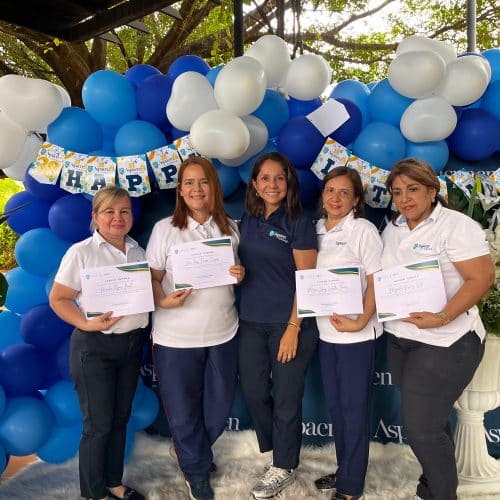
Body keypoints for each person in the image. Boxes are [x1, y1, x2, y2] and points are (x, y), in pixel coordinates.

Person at [382, 158, 495, 500]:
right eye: (397, 192)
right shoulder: (393, 228)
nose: (404, 198)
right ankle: (430, 488)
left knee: (422, 430)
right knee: (432, 423)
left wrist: (442, 317)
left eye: (413, 189)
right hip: (402, 339)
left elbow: (482, 278)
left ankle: (443, 494)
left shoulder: (456, 226)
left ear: (432, 191)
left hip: (448, 340)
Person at [146, 156, 245, 500]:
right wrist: (163, 300)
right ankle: (196, 471)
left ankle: (193, 452)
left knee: (219, 407)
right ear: (180, 190)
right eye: (189, 182)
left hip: (224, 330)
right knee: (183, 410)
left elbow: (236, 271)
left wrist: (240, 273)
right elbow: (152, 278)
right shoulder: (165, 229)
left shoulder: (230, 227)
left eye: (203, 181)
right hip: (176, 336)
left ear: (214, 186)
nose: (196, 189)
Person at [49, 186, 147, 500]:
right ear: (95, 216)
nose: (118, 217)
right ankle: (94, 493)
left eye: (124, 211)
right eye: (109, 211)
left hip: (131, 346)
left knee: (120, 420)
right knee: (98, 425)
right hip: (94, 348)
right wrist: (85, 323)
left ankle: (114, 482)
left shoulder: (137, 251)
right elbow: (59, 298)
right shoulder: (81, 253)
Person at [237, 152, 319, 499]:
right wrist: (238, 274)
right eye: (265, 178)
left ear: (289, 183)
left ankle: (284, 466)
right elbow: (248, 267)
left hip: (290, 323)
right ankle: (279, 451)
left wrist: (293, 327)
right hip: (250, 322)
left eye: (279, 178)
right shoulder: (247, 220)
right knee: (255, 391)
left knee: (286, 397)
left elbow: (307, 278)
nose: (272, 184)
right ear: (255, 185)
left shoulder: (299, 220)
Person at [313, 167, 383, 500]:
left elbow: (376, 280)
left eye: (344, 193)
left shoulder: (363, 230)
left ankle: (351, 486)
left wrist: (361, 320)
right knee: (338, 409)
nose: (336, 198)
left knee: (354, 410)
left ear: (356, 200)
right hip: (326, 334)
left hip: (357, 335)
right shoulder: (315, 230)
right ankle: (346, 469)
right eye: (330, 191)